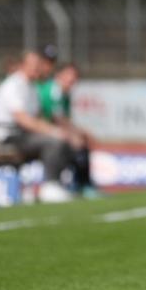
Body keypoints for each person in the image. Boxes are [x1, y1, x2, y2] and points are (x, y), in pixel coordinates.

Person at [0, 51, 75, 203]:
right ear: (23, 65)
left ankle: (61, 184)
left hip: (23, 135)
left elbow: (37, 117)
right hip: (8, 136)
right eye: (33, 65)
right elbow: (23, 119)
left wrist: (60, 131)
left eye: (39, 65)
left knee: (63, 140)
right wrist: (53, 131)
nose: (37, 69)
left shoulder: (32, 86)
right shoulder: (13, 85)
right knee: (54, 141)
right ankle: (50, 186)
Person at [37, 62, 97, 196]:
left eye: (75, 76)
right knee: (73, 144)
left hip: (49, 130)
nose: (73, 79)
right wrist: (75, 134)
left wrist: (78, 133)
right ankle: (61, 183)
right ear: (59, 75)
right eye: (70, 75)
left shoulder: (64, 94)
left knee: (79, 143)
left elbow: (64, 119)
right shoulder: (54, 91)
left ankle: (80, 184)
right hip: (42, 131)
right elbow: (56, 118)